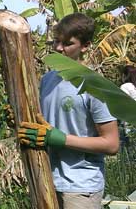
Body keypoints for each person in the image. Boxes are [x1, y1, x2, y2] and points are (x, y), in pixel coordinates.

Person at [18, 13, 119, 209]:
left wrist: (62, 139)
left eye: (67, 43)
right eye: (56, 41)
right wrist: (17, 116)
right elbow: (42, 124)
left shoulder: (94, 85)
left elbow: (111, 143)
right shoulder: (48, 80)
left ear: (85, 46)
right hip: (46, 179)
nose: (58, 48)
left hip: (81, 187)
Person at [119, 65, 136, 148]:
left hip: (130, 118)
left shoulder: (125, 86)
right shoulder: (134, 86)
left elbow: (123, 104)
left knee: (130, 145)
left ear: (125, 75)